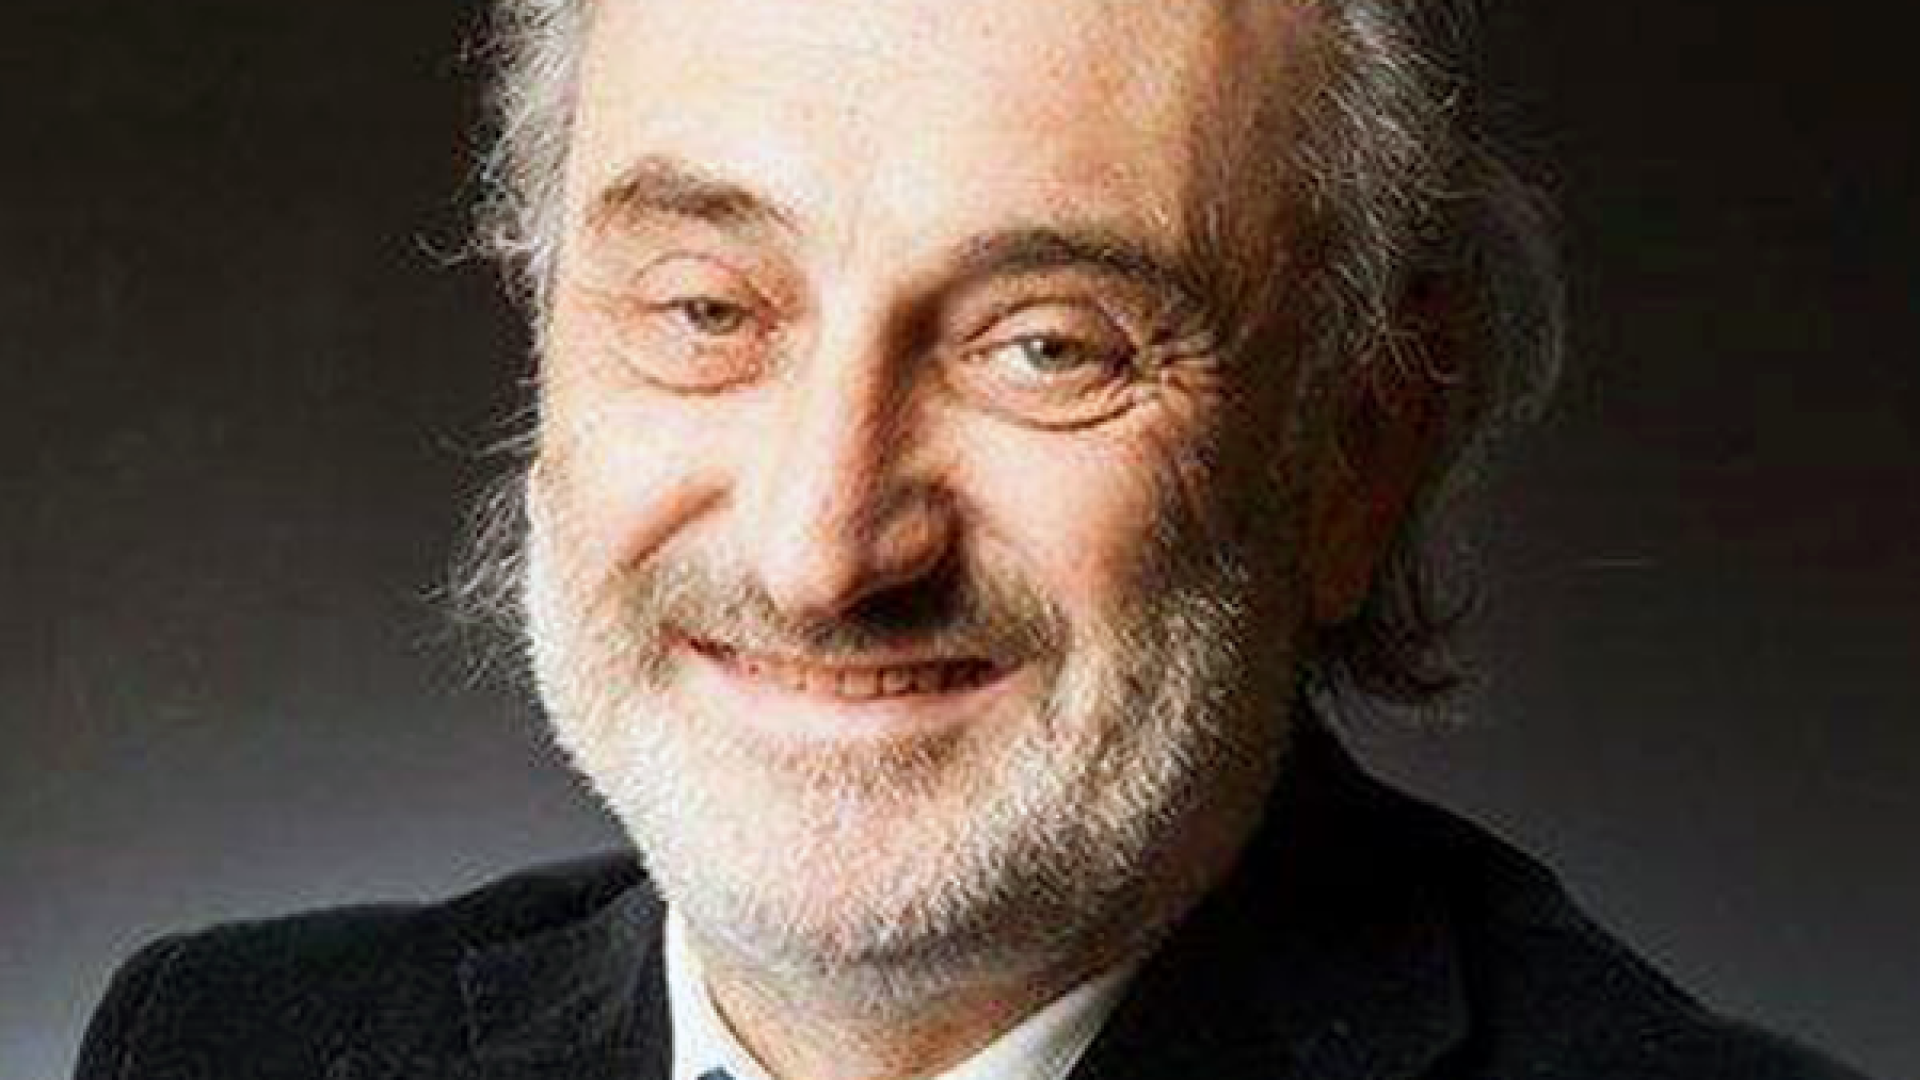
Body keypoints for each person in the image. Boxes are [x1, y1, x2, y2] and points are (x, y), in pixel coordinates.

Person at [76, 0, 1867, 1077]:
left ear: (1357, 456)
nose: (821, 548)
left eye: (1048, 345)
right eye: (705, 309)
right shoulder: (221, 1045)